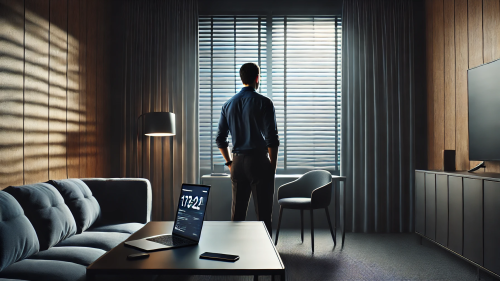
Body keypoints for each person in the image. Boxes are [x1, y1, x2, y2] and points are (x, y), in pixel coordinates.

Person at [215, 62, 280, 236]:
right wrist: (271, 167)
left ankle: (236, 253)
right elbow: (272, 139)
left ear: (241, 78)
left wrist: (229, 162)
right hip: (258, 161)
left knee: (237, 214)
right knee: (263, 213)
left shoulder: (227, 105)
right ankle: (266, 257)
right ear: (257, 78)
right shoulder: (264, 102)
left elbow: (220, 139)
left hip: (237, 162)